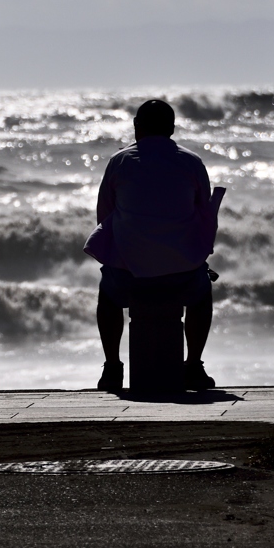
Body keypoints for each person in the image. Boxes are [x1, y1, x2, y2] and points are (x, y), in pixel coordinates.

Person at [84, 99, 218, 392]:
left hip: (128, 280)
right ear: (171, 128)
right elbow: (202, 216)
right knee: (202, 292)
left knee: (107, 295)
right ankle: (193, 365)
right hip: (181, 278)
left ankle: (112, 367)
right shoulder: (192, 162)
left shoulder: (119, 161)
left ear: (136, 127)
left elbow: (104, 216)